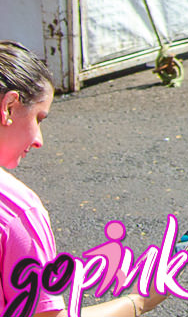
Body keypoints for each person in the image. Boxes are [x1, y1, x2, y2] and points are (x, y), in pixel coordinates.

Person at [1, 42, 170, 317]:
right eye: (39, 118)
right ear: (9, 107)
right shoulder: (18, 212)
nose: (39, 140)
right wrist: (140, 301)